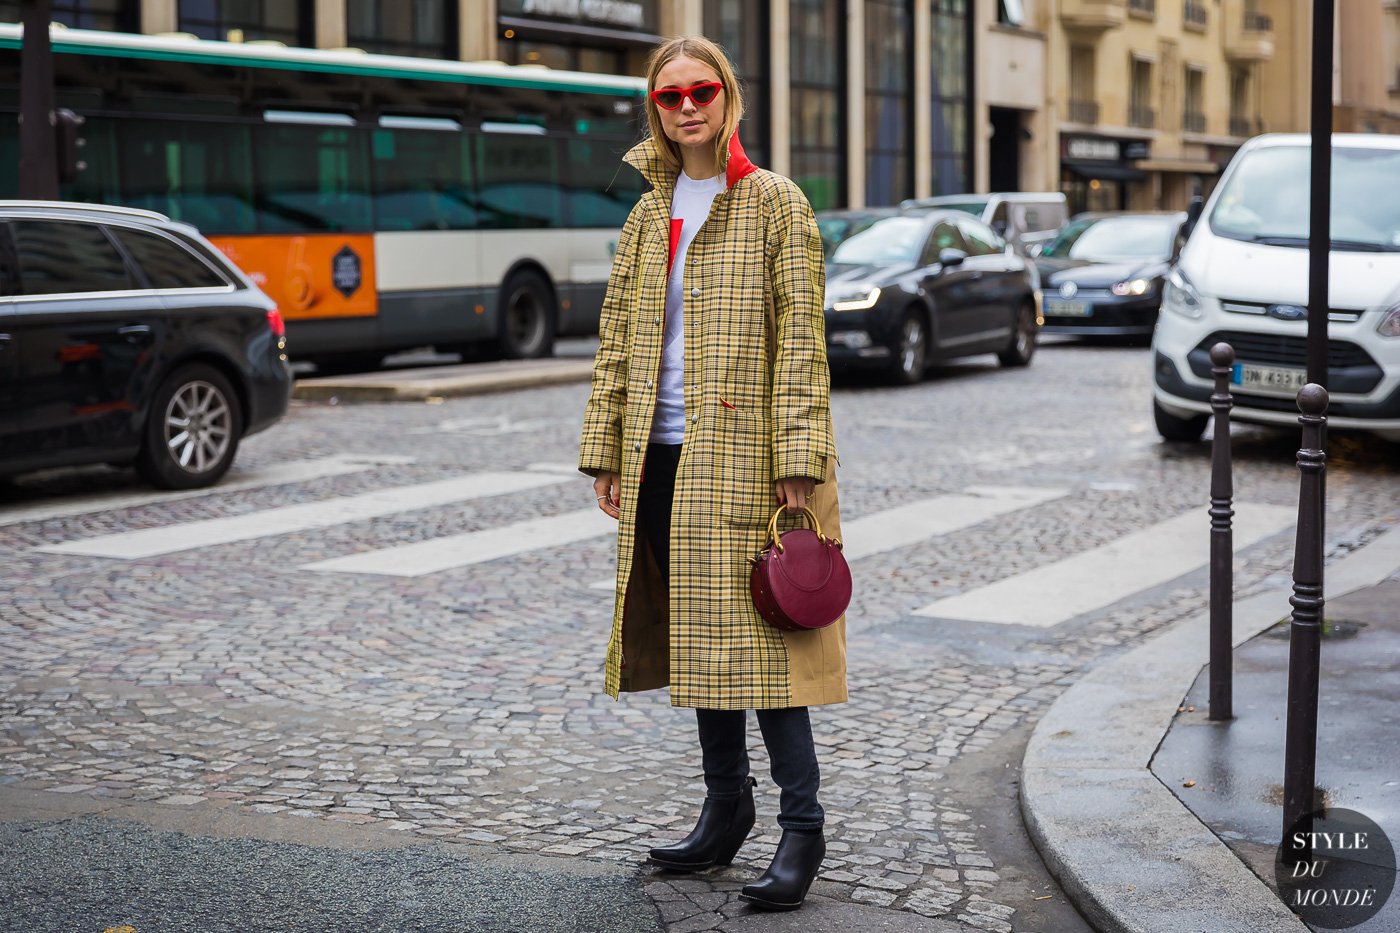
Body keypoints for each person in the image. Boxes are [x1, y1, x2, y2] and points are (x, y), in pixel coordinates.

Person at [576, 35, 846, 913]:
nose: (687, 106)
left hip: (749, 460)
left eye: (701, 90)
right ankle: (725, 809)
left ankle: (802, 828)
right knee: (701, 638)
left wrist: (798, 464)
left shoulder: (774, 203)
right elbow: (618, 339)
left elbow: (804, 341)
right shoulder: (650, 213)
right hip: (661, 455)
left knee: (768, 645)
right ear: (655, 110)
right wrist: (608, 451)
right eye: (670, 96)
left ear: (728, 97)